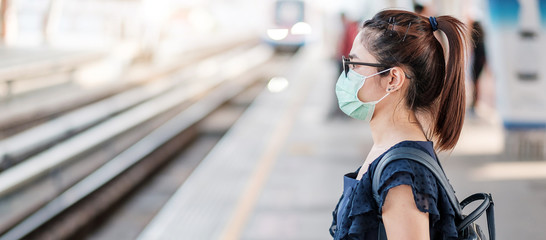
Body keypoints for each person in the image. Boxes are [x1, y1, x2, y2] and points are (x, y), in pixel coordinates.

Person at [330, 9, 468, 239]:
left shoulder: (402, 175)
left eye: (355, 65)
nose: (347, 75)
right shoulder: (388, 151)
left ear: (393, 79)